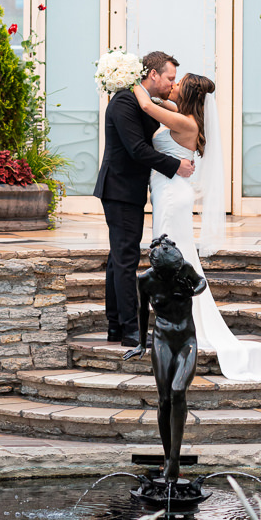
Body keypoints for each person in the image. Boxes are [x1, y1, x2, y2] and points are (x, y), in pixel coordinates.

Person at [130, 72, 261, 382]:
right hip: (167, 192)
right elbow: (159, 101)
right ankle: (172, 320)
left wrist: (128, 79)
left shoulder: (187, 123)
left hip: (173, 197)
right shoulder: (182, 113)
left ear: (189, 94)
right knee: (175, 258)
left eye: (179, 83)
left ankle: (178, 323)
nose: (173, 85)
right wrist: (156, 90)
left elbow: (150, 107)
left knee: (173, 259)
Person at [94, 50, 195, 346]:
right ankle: (131, 332)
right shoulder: (125, 102)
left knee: (118, 259)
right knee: (125, 260)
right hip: (120, 189)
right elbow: (137, 149)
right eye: (169, 78)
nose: (172, 84)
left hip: (129, 190)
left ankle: (115, 326)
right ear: (153, 75)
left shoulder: (145, 100)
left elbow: (174, 109)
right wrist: (175, 165)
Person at [124, 235, 205, 482]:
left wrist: (193, 292)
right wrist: (141, 343)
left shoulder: (184, 268)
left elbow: (201, 282)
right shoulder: (145, 279)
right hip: (162, 339)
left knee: (179, 389)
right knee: (165, 399)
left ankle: (175, 459)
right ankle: (168, 456)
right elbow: (142, 311)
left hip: (186, 339)